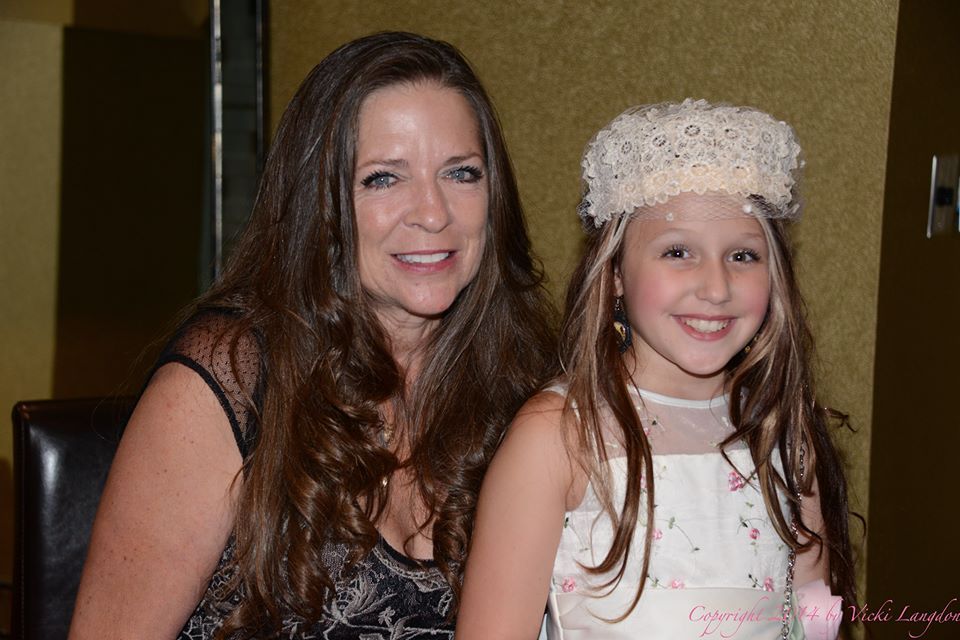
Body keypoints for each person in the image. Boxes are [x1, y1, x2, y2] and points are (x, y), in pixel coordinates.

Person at [69, 31, 556, 639]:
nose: (433, 213)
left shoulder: (525, 385)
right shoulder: (234, 379)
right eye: (383, 179)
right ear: (319, 203)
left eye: (461, 173)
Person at [457, 99, 857, 639]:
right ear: (615, 272)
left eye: (743, 256)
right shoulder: (559, 437)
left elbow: (812, 611)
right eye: (677, 252)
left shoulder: (781, 431)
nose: (715, 287)